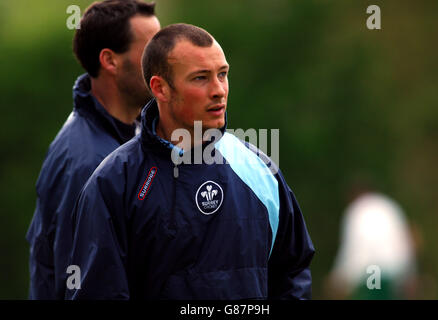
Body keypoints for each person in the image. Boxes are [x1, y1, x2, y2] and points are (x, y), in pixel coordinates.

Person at [66, 23, 315, 299]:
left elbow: (293, 273)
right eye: (201, 78)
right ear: (160, 88)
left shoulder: (260, 171)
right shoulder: (113, 183)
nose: (219, 90)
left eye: (223, 74)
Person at [26, 0, 161, 299]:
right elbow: (84, 287)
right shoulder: (86, 164)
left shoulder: (135, 133)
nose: (164, 61)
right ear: (110, 61)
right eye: (152, 50)